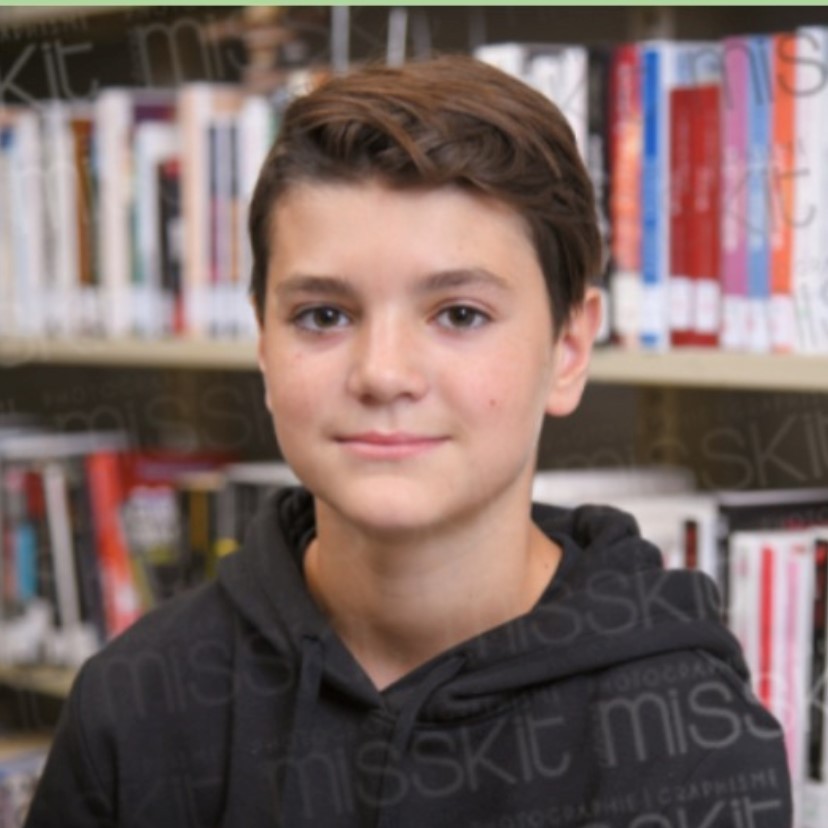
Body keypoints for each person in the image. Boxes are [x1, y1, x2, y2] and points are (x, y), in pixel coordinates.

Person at [27, 55, 791, 827]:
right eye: (323, 316)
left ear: (568, 349)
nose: (383, 374)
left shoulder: (693, 745)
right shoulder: (133, 706)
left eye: (460, 314)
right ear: (263, 345)